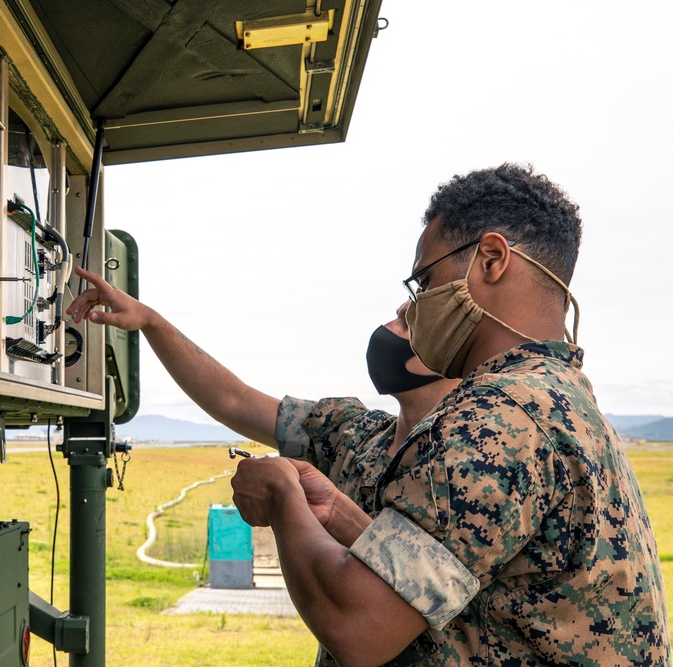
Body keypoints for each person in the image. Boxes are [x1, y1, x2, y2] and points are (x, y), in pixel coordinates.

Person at [68, 162, 671, 666]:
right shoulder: (556, 396)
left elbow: (360, 627)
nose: (415, 306)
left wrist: (283, 498)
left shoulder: (504, 416)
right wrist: (342, 515)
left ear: (491, 260)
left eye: (426, 280)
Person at [67, 279, 460, 665]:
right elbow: (233, 399)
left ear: (453, 352)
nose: (392, 324)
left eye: (407, 324)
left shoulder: (466, 465)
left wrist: (281, 499)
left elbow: (361, 630)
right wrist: (151, 322)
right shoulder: (353, 432)